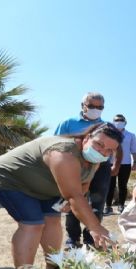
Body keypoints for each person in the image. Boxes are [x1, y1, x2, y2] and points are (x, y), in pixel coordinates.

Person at [0, 123, 122, 269]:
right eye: (99, 144)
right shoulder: (63, 153)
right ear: (86, 138)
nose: (103, 152)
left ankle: (53, 268)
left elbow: (83, 185)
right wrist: (95, 227)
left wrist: (68, 201)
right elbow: (74, 196)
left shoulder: (95, 159)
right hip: (12, 180)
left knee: (52, 221)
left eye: (109, 150)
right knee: (33, 224)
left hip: (45, 186)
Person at [54, 92, 120, 248]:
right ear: (82, 105)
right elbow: (55, 144)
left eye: (100, 107)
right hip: (74, 166)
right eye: (91, 106)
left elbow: (116, 148)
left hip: (101, 166)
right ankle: (73, 238)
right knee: (75, 198)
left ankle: (91, 238)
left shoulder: (107, 126)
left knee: (98, 202)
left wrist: (115, 164)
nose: (96, 109)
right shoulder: (67, 123)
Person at [105, 114, 136, 214]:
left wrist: (135, 162)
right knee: (109, 185)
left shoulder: (131, 135)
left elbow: (134, 150)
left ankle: (121, 205)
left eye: (121, 120)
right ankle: (108, 206)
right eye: (116, 120)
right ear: (113, 122)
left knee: (122, 185)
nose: (119, 121)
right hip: (110, 163)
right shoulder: (108, 134)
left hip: (125, 164)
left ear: (125, 122)